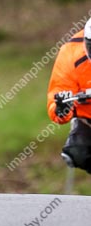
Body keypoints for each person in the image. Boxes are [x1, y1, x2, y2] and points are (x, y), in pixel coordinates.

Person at [47, 17, 91, 172]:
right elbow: (57, 94)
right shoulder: (70, 53)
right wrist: (62, 109)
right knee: (76, 153)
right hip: (87, 119)